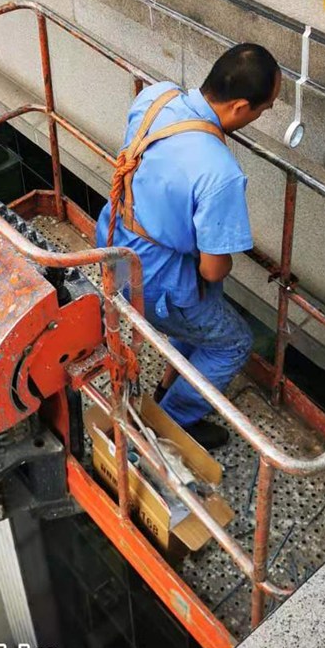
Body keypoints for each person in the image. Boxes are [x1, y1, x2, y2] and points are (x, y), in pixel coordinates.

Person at [96, 44, 281, 450]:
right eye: (262, 110)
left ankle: (171, 379)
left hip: (112, 246)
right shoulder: (219, 172)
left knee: (205, 304)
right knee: (234, 341)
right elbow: (214, 270)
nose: (259, 117)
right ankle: (173, 421)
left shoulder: (155, 96)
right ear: (238, 107)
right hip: (155, 282)